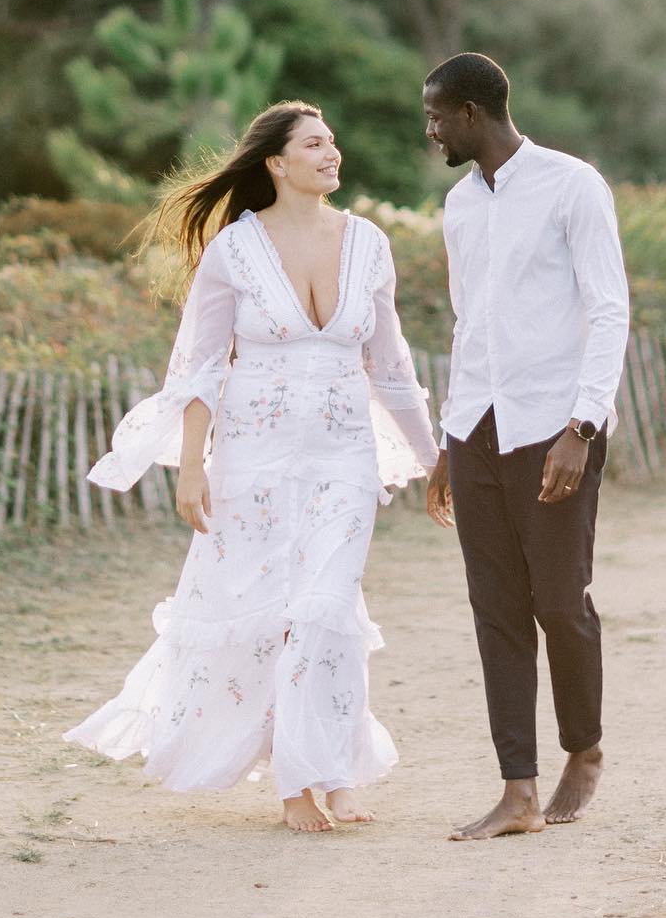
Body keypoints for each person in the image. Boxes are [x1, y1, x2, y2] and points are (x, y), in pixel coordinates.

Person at [64, 101, 440, 833]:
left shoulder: (369, 244)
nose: (333, 152)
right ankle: (299, 786)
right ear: (276, 162)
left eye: (333, 140)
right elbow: (201, 367)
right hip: (254, 465)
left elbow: (390, 364)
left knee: (327, 610)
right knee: (275, 620)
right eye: (314, 143)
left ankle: (330, 774)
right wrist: (191, 468)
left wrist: (435, 459)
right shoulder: (233, 252)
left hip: (344, 459)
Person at [422, 53, 629, 840]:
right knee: (495, 611)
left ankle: (585, 749)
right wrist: (450, 435)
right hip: (478, 428)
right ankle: (517, 792)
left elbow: (608, 311)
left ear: (472, 113)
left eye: (437, 116)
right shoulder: (459, 205)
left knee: (559, 603)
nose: (431, 130)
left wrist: (582, 428)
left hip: (555, 427)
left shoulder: (574, 185)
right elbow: (465, 323)